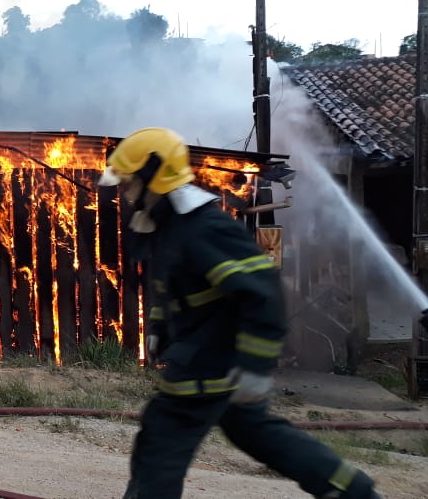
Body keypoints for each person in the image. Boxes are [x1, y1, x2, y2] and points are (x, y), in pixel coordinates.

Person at [97, 127, 380, 499]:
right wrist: (158, 326)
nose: (126, 191)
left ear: (154, 175)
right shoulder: (171, 226)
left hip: (208, 367)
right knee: (257, 433)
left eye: (131, 181)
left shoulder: (205, 229)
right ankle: (351, 490)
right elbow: (175, 288)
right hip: (208, 360)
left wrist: (255, 368)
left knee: (160, 441)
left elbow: (261, 295)